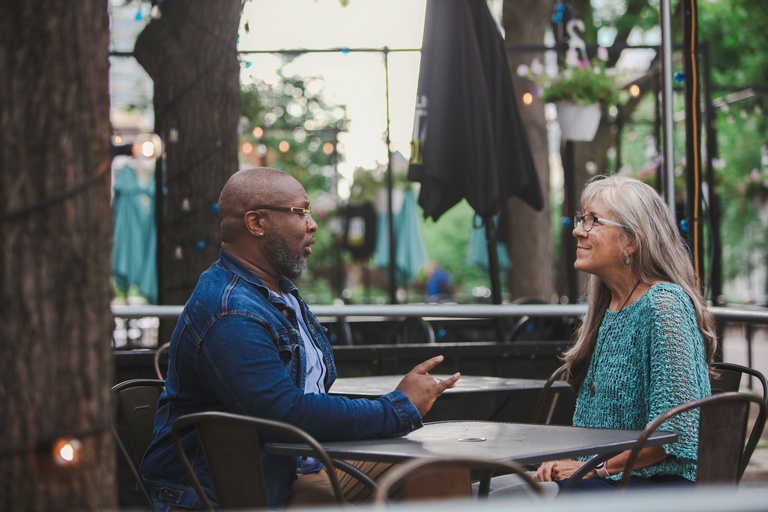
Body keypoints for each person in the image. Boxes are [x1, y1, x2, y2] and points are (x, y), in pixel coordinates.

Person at [139, 167, 460, 510]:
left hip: (294, 468)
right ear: (256, 223)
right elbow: (285, 415)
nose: (312, 224)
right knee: (434, 470)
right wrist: (397, 407)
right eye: (300, 212)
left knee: (441, 464)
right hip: (242, 491)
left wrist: (396, 405)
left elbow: (307, 397)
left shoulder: (276, 293)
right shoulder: (231, 311)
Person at [491, 174, 716, 497]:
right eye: (582, 218)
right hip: (609, 477)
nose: (577, 229)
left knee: (499, 498)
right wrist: (574, 462)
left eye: (593, 220)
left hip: (658, 486)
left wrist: (591, 469)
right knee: (474, 491)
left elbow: (674, 432)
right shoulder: (609, 305)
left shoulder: (664, 305)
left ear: (631, 241)